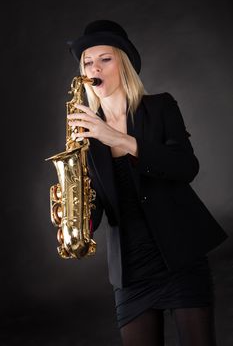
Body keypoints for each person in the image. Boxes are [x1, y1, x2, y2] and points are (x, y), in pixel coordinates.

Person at [67, 20, 228, 346]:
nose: (94, 67)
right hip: (131, 273)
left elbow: (186, 167)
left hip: (180, 256)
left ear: (123, 62)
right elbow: (97, 208)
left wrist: (118, 138)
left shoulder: (161, 107)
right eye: (87, 61)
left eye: (105, 58)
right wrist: (74, 216)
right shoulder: (84, 134)